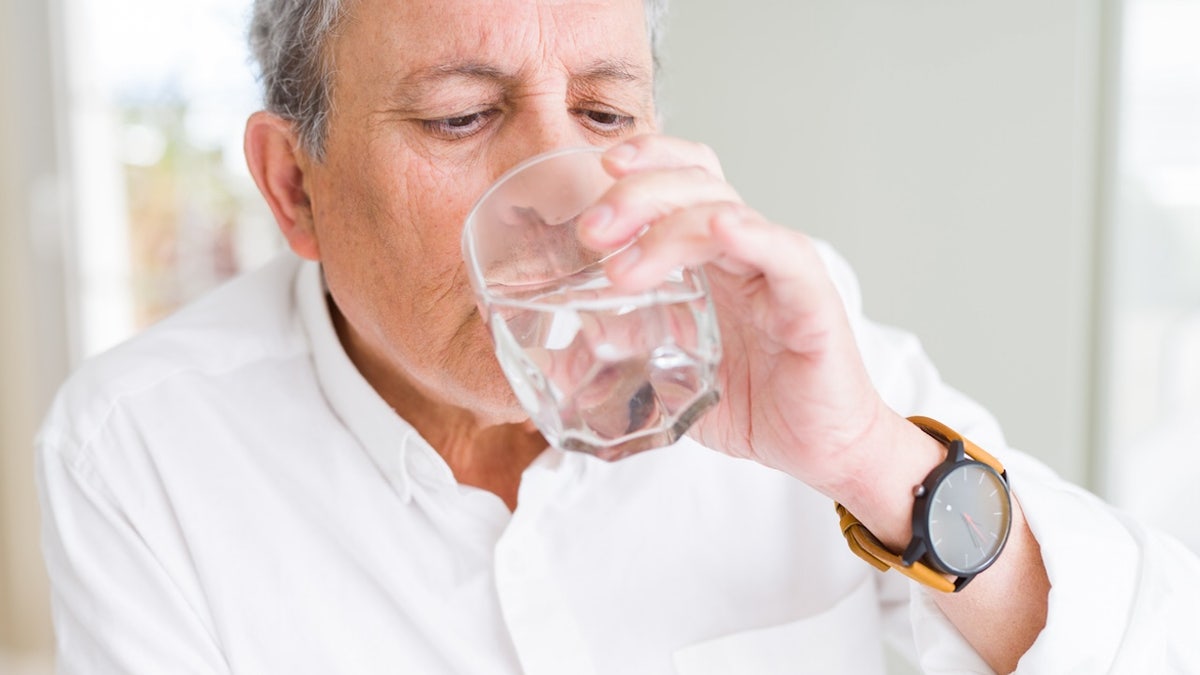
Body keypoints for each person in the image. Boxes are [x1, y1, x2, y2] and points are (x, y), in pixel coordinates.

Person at [35, 0, 1200, 673]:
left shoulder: (778, 335)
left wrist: (872, 460)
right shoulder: (144, 450)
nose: (570, 193)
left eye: (605, 114)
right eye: (459, 116)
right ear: (294, 187)